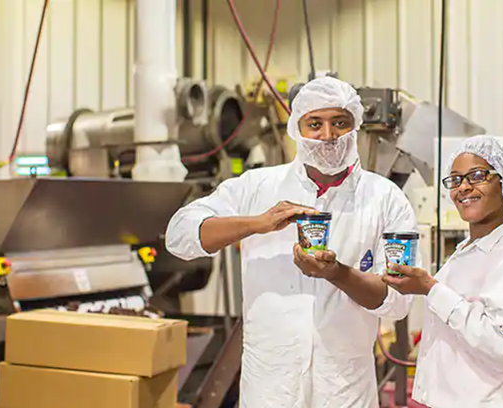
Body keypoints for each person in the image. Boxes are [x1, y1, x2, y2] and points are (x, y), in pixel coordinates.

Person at [164, 76, 419, 408]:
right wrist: (258, 223)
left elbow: (399, 301)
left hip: (344, 392)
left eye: (339, 123)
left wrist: (337, 274)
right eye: (315, 123)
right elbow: (179, 236)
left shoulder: (384, 198)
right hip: (271, 389)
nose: (328, 135)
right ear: (297, 128)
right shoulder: (257, 187)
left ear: (356, 126)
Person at [382, 135, 503, 408]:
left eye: (477, 176)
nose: (463, 187)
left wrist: (431, 289)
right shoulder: (467, 252)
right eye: (455, 180)